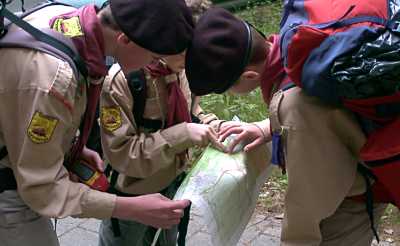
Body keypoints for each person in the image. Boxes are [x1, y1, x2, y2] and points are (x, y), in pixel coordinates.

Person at [184, 7, 387, 246]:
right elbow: (322, 112)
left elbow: (310, 200)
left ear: (249, 76)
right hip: (353, 177)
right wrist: (267, 126)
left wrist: (293, 241)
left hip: (352, 202)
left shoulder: (293, 107)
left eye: (228, 88)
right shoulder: (296, 49)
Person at [0, 1, 195, 245]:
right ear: (125, 39)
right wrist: (129, 208)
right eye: (154, 57)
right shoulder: (55, 79)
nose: (151, 65)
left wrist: (72, 147)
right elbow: (42, 189)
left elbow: (18, 108)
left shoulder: (66, 20)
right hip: (9, 189)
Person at [97, 2, 228, 246]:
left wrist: (216, 127)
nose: (190, 58)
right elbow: (122, 154)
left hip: (172, 186)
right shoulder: (122, 80)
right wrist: (183, 134)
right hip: (132, 197)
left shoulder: (181, 69)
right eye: (183, 49)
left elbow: (192, 111)